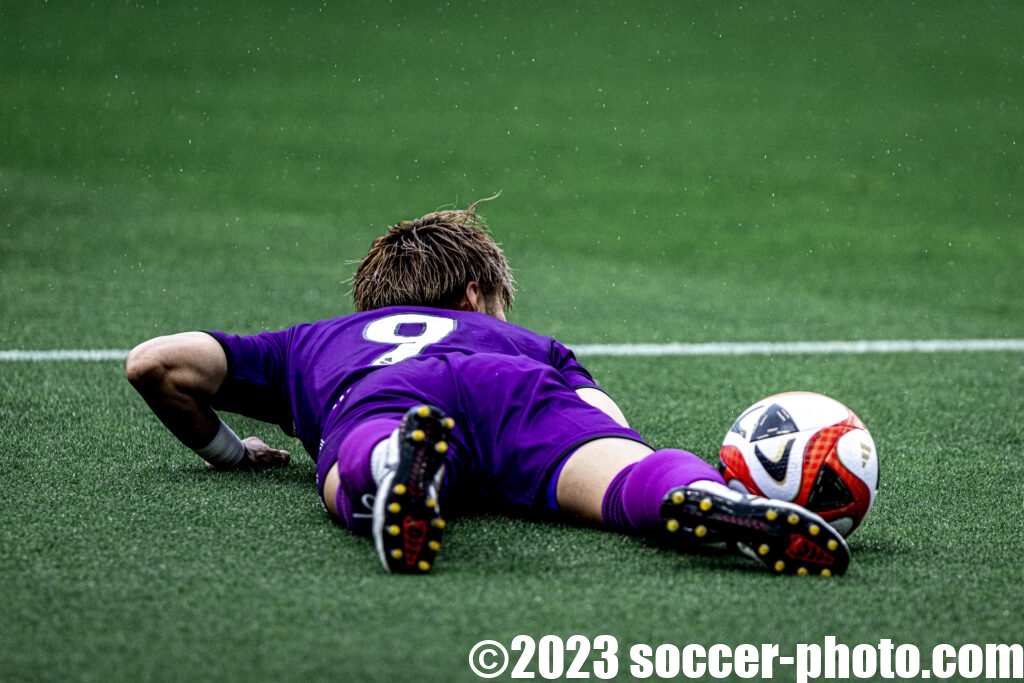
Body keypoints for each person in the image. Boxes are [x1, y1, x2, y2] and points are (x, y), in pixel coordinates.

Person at [125, 197, 850, 577]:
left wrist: (231, 450)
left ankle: (392, 473)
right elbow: (605, 421)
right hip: (517, 389)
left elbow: (156, 362)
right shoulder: (530, 343)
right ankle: (708, 500)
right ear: (475, 296)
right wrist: (617, 455)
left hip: (384, 394)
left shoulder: (313, 343)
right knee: (628, 475)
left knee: (362, 451)